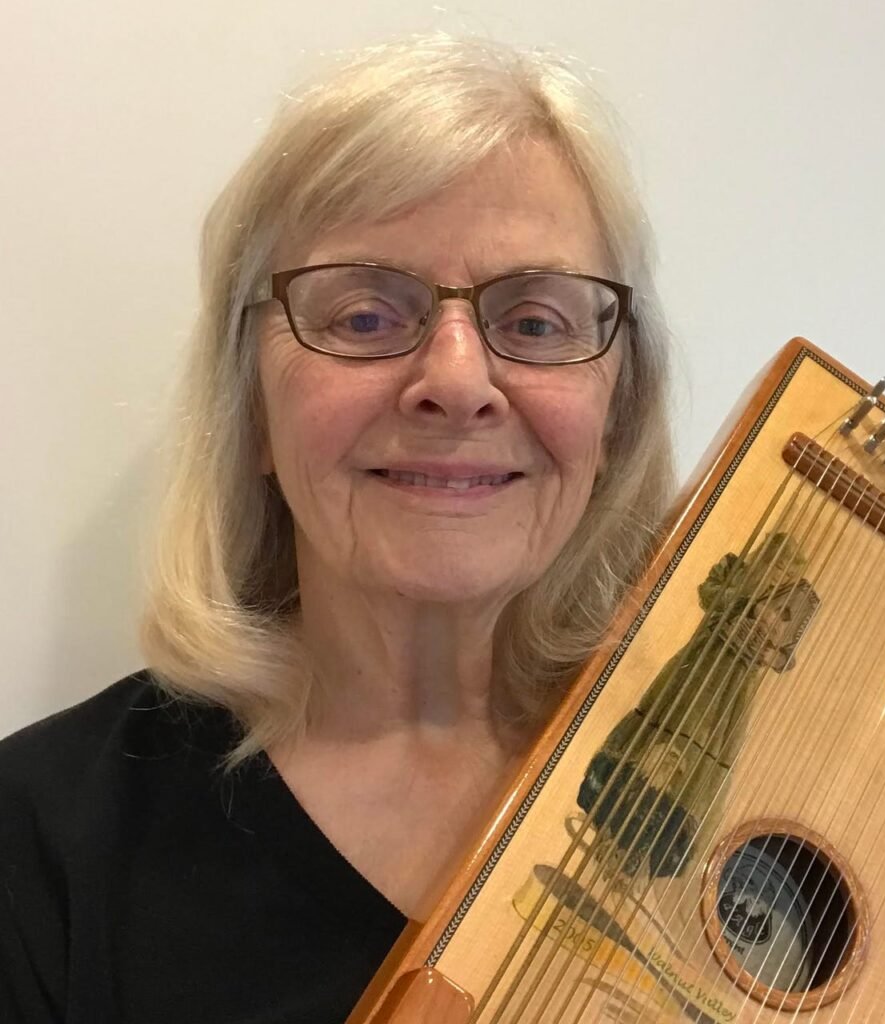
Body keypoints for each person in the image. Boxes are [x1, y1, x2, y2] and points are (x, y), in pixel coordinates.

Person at [0, 33, 675, 1024]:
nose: (455, 381)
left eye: (533, 322)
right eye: (364, 315)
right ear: (253, 408)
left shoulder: (753, 790)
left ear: (615, 411)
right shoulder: (36, 843)